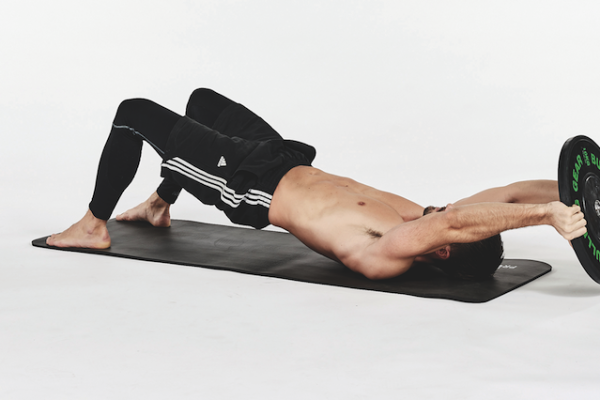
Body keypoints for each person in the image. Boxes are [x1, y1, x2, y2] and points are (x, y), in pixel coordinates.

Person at [46, 88, 587, 280]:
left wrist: (546, 221)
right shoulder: (420, 217)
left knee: (133, 112)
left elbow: (458, 220)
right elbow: (512, 195)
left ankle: (94, 224)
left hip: (248, 183)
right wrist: (574, 196)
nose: (443, 208)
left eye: (446, 221)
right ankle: (160, 204)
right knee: (203, 102)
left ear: (443, 249)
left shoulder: (390, 252)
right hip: (277, 158)